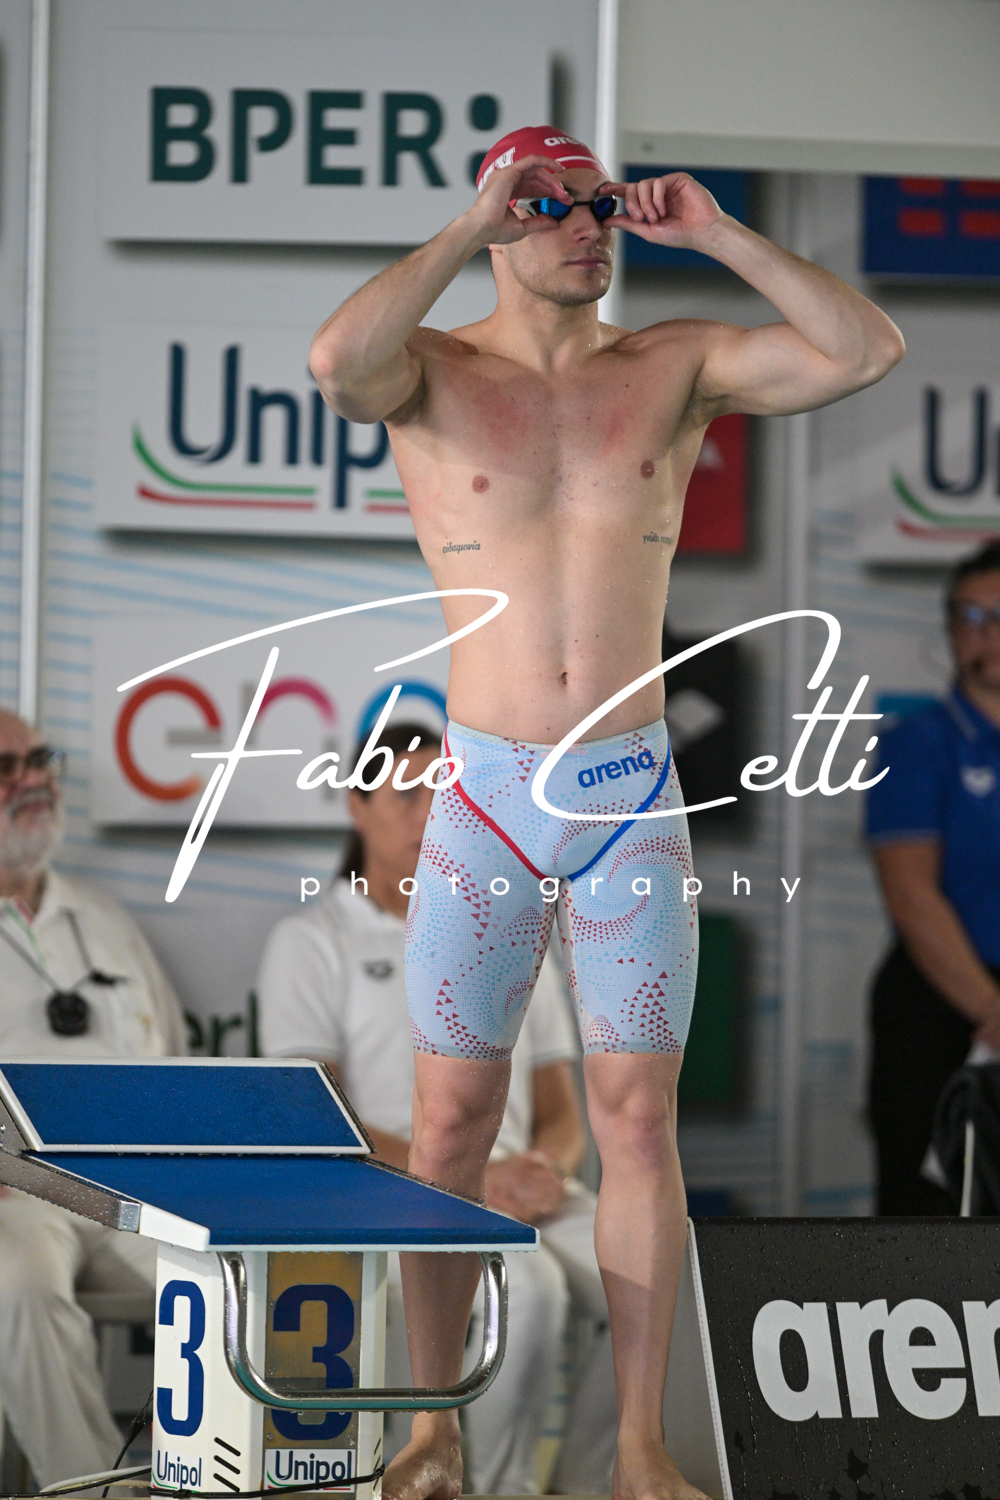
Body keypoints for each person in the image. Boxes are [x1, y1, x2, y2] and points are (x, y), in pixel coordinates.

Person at [308, 124, 905, 1500]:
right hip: (486, 797)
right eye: (555, 207)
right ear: (503, 219)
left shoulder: (670, 364)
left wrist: (718, 231)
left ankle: (639, 1449)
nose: (589, 227)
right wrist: (475, 223)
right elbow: (336, 364)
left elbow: (864, 350)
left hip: (628, 792)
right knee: (450, 1125)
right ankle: (430, 1428)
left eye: (599, 207)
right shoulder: (431, 370)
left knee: (637, 1122)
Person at [256, 722, 617, 1496]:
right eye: (406, 794)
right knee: (530, 1290)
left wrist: (541, 1169)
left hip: (522, 1191)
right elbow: (317, 1118)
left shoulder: (512, 928)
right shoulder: (312, 939)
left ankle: (587, 1486)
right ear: (356, 806)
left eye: (445, 795)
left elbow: (562, 1112)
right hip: (398, 1194)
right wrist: (466, 1183)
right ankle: (493, 1487)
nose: (429, 814)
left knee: (662, 1277)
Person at [0, 708, 187, 1487]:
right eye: (5, 768)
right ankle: (90, 1492)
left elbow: (177, 1065)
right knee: (18, 1286)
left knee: (239, 1276)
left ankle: (223, 1480)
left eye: (40, 760)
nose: (32, 780)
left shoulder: (105, 921)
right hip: (15, 1194)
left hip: (132, 1189)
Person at [867, 542, 1000, 1214]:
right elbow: (912, 896)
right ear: (949, 629)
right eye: (972, 615)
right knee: (926, 1220)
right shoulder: (913, 744)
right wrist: (992, 1011)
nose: (989, 632)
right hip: (940, 1006)